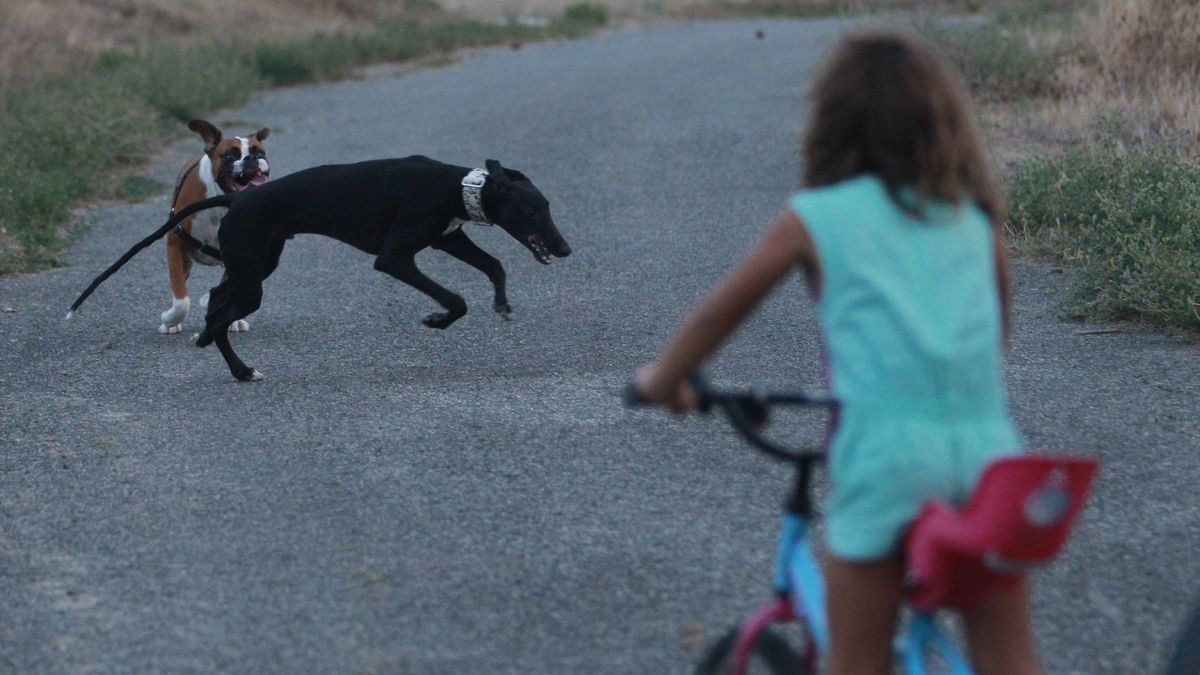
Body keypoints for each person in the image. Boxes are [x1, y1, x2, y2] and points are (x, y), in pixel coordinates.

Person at [632, 31, 1036, 675]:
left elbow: (719, 312)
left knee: (858, 661)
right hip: (990, 457)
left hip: (886, 459)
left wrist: (664, 380)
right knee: (1009, 660)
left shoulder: (816, 217)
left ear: (829, 124)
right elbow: (996, 338)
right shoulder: (973, 219)